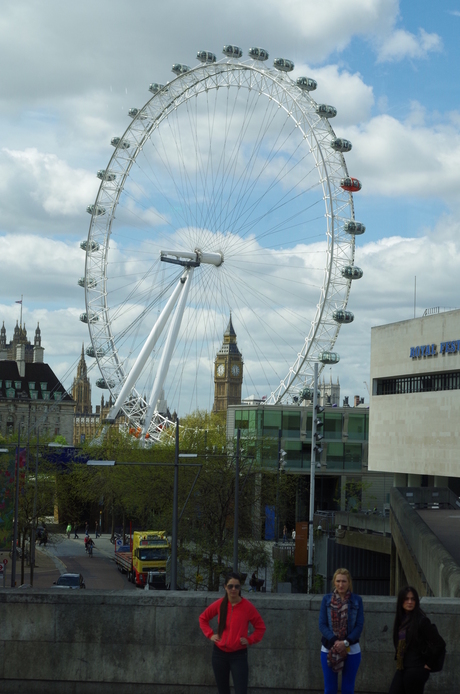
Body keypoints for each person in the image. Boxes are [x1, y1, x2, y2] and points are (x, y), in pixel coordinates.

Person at [199, 572, 266, 694]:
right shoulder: (220, 604)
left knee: (241, 690)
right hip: (219, 655)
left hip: (238, 655)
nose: (233, 589)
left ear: (240, 588)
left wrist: (250, 640)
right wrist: (210, 634)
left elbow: (260, 627)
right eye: (230, 586)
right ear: (225, 587)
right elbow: (203, 618)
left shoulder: (247, 607)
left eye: (237, 586)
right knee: (223, 691)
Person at [319, 568, 364, 694]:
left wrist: (345, 643)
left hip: (352, 648)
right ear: (334, 582)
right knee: (330, 689)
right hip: (329, 647)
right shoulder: (326, 600)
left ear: (349, 582)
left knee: (348, 689)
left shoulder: (357, 600)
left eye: (344, 581)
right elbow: (322, 625)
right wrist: (335, 642)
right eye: (338, 581)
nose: (341, 584)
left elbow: (359, 626)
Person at [388, 586, 436, 694]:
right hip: (402, 667)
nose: (410, 602)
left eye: (413, 599)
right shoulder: (402, 620)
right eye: (406, 599)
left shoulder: (421, 621)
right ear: (401, 601)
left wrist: (429, 665)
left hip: (417, 669)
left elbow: (439, 644)